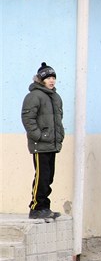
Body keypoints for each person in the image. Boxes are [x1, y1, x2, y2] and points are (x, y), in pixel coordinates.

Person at [21, 62, 64, 220]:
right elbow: (28, 119)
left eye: (54, 78)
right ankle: (36, 207)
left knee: (49, 176)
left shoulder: (55, 97)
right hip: (41, 145)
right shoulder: (34, 96)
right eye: (48, 78)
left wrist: (59, 136)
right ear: (41, 79)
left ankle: (45, 206)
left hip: (52, 144)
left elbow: (58, 120)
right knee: (42, 176)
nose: (52, 81)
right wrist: (39, 136)